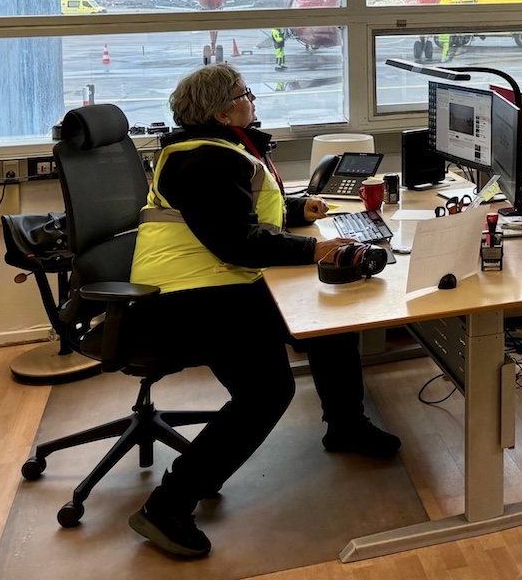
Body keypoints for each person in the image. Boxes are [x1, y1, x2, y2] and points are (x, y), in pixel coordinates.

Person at [126, 64, 400, 558]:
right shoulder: (204, 160)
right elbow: (235, 241)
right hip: (188, 296)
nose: (253, 99)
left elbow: (237, 214)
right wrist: (312, 251)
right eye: (244, 94)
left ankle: (346, 423)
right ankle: (167, 505)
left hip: (220, 281)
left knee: (326, 320)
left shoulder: (220, 150)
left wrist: (298, 211)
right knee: (267, 391)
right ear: (220, 110)